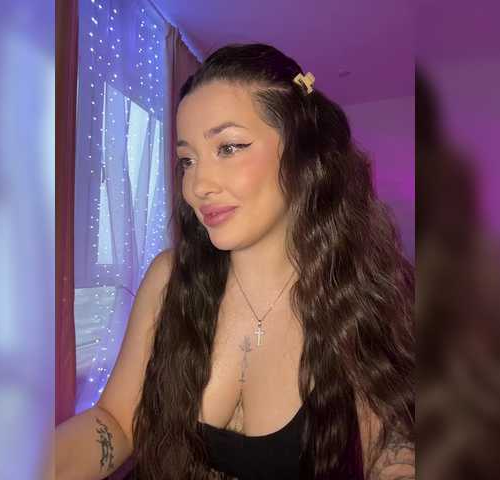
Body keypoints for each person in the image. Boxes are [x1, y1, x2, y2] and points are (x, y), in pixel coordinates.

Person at [56, 43, 415, 480]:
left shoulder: (357, 290)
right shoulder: (170, 279)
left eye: (228, 147)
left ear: (302, 152)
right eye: (187, 160)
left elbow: (390, 445)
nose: (198, 185)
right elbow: (116, 422)